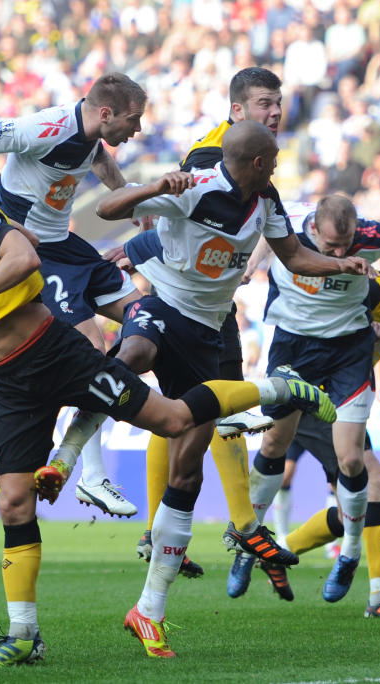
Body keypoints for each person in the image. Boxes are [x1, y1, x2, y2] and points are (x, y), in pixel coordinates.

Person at [0, 143, 335, 668]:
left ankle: (279, 390)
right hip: (10, 378)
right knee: (13, 501)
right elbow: (24, 240)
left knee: (171, 418)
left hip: (57, 354)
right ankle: (24, 634)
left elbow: (24, 254)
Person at [93, 121, 370, 658]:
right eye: (273, 155)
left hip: (206, 331)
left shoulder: (265, 198)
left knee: (188, 467)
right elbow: (109, 211)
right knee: (131, 358)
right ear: (257, 161)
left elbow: (292, 256)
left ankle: (148, 610)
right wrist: (152, 187)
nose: (279, 159)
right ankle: (78, 457)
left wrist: (339, 262)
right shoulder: (194, 185)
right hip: (163, 307)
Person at [0, 73, 148, 518]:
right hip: (37, 250)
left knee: (147, 319)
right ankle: (91, 476)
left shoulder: (89, 136)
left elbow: (96, 156)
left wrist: (129, 197)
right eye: (133, 120)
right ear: (106, 113)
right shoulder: (47, 127)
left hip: (66, 243)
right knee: (93, 347)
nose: (137, 131)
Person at [239, 194, 380, 606]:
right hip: (310, 375)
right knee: (373, 483)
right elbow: (277, 228)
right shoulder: (369, 288)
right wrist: (252, 264)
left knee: (359, 487)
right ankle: (376, 593)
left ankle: (280, 554)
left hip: (342, 383)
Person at [135, 66, 285, 563]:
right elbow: (173, 218)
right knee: (208, 402)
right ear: (237, 110)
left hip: (204, 294)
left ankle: (157, 529)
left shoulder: (253, 163)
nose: (276, 111)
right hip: (192, 300)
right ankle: (243, 523)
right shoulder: (214, 155)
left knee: (188, 404)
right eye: (265, 103)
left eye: (278, 102)